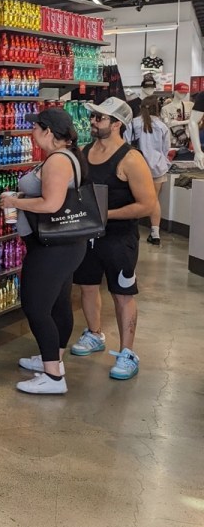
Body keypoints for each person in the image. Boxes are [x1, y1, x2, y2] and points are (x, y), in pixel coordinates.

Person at [70, 97, 159, 380]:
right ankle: (95, 334)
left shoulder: (130, 159)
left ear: (117, 124)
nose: (93, 122)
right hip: (88, 236)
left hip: (119, 239)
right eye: (94, 117)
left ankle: (127, 352)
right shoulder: (85, 152)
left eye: (100, 118)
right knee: (87, 286)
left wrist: (106, 214)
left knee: (122, 295)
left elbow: (147, 204)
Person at [2, 108, 88, 395]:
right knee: (59, 304)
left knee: (36, 306)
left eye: (35, 127)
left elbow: (51, 204)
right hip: (65, 245)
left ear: (48, 132)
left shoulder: (58, 161)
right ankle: (54, 359)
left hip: (53, 247)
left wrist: (16, 201)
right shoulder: (67, 156)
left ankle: (52, 378)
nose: (31, 132)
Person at [125, 96, 172, 245]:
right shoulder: (163, 126)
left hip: (137, 168)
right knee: (154, 200)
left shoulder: (133, 124)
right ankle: (155, 233)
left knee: (134, 199)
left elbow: (125, 145)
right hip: (158, 168)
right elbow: (166, 149)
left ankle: (131, 231)